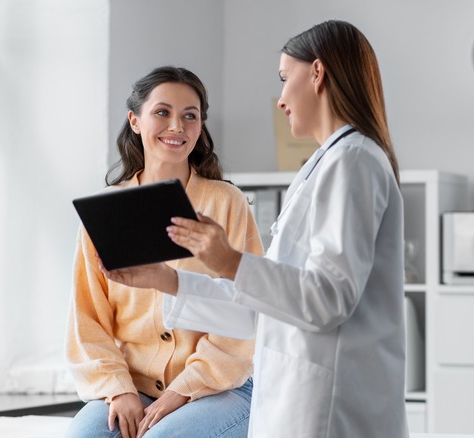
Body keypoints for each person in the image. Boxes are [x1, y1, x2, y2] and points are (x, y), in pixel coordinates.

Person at [102, 20, 408, 437]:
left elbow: (328, 299)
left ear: (317, 73)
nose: (281, 98)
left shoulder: (353, 161)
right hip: (297, 394)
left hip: (330, 405)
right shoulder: (326, 165)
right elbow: (263, 308)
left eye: (285, 78)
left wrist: (229, 261)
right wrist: (168, 280)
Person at [65, 66, 263, 438]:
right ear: (135, 121)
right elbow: (87, 318)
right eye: (162, 112)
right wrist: (118, 389)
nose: (177, 126)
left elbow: (246, 316)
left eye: (190, 116)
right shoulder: (105, 212)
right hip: (131, 384)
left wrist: (180, 392)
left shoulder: (227, 203)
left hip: (222, 387)